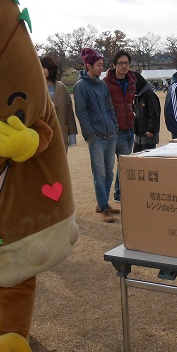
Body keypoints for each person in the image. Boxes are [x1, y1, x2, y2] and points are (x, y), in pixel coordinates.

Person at [73, 48, 118, 223]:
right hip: (96, 137)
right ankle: (104, 207)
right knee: (99, 174)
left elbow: (110, 107)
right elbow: (81, 113)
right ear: (88, 65)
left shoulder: (102, 84)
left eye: (102, 65)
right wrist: (90, 135)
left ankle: (103, 204)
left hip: (110, 134)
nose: (102, 68)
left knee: (108, 172)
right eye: (99, 65)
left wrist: (114, 126)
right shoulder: (80, 86)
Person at [104, 50, 135, 202]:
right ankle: (119, 193)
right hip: (117, 128)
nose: (124, 66)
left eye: (126, 63)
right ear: (114, 65)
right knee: (124, 161)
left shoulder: (131, 80)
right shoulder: (106, 83)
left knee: (124, 161)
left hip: (130, 126)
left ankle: (119, 192)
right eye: (121, 63)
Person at [39, 56, 78, 153]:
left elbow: (69, 112)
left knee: (60, 165)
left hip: (61, 134)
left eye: (43, 67)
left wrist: (72, 135)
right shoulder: (35, 89)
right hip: (41, 136)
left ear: (50, 68)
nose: (40, 69)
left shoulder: (62, 87)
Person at [132, 72, 161, 152]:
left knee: (145, 160)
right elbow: (137, 112)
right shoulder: (137, 96)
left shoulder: (150, 95)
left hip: (148, 134)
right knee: (136, 157)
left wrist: (151, 130)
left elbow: (154, 113)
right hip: (139, 133)